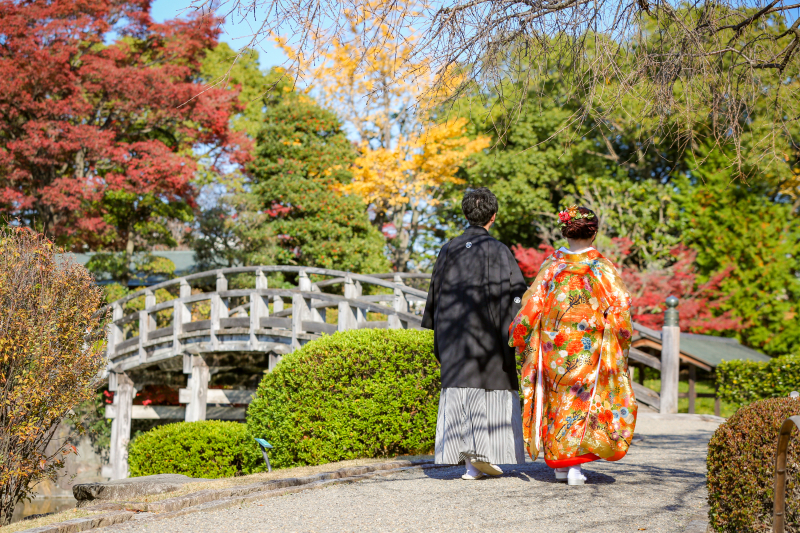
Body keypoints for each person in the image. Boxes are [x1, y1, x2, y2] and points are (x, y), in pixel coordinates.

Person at [508, 205, 637, 486]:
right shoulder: (600, 265)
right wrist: (617, 333)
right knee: (581, 400)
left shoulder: (553, 264)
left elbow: (533, 302)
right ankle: (575, 467)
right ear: (593, 232)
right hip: (588, 345)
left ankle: (559, 464)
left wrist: (518, 334)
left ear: (566, 231)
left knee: (556, 400)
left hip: (552, 345)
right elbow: (622, 304)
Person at [422, 187, 528, 480]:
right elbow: (517, 295)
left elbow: (435, 295)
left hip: (455, 336)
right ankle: (482, 458)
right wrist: (515, 330)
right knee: (489, 389)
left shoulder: (449, 249)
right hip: (490, 338)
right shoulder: (499, 251)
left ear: (465, 214)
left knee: (463, 391)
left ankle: (471, 462)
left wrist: (440, 332)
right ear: (493, 216)